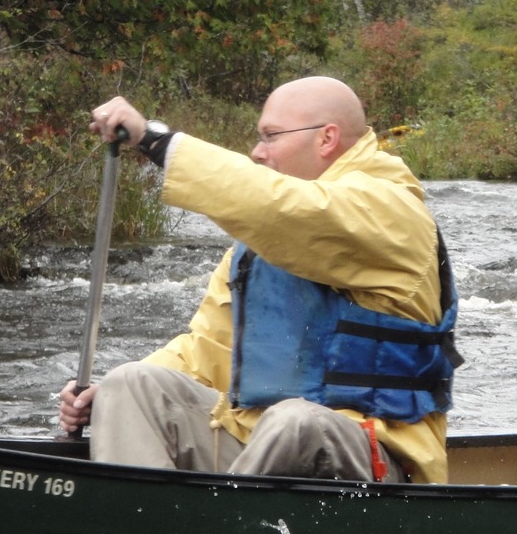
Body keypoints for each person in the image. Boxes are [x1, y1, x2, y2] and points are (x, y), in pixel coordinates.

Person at [58, 76, 462, 484]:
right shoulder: (261, 244)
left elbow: (285, 208)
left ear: (326, 138)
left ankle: (218, 520)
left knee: (295, 421)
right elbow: (207, 350)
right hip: (258, 446)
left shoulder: (390, 211)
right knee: (130, 384)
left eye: (271, 136)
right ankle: (147, 518)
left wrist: (155, 140)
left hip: (373, 454)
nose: (257, 151)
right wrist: (100, 397)